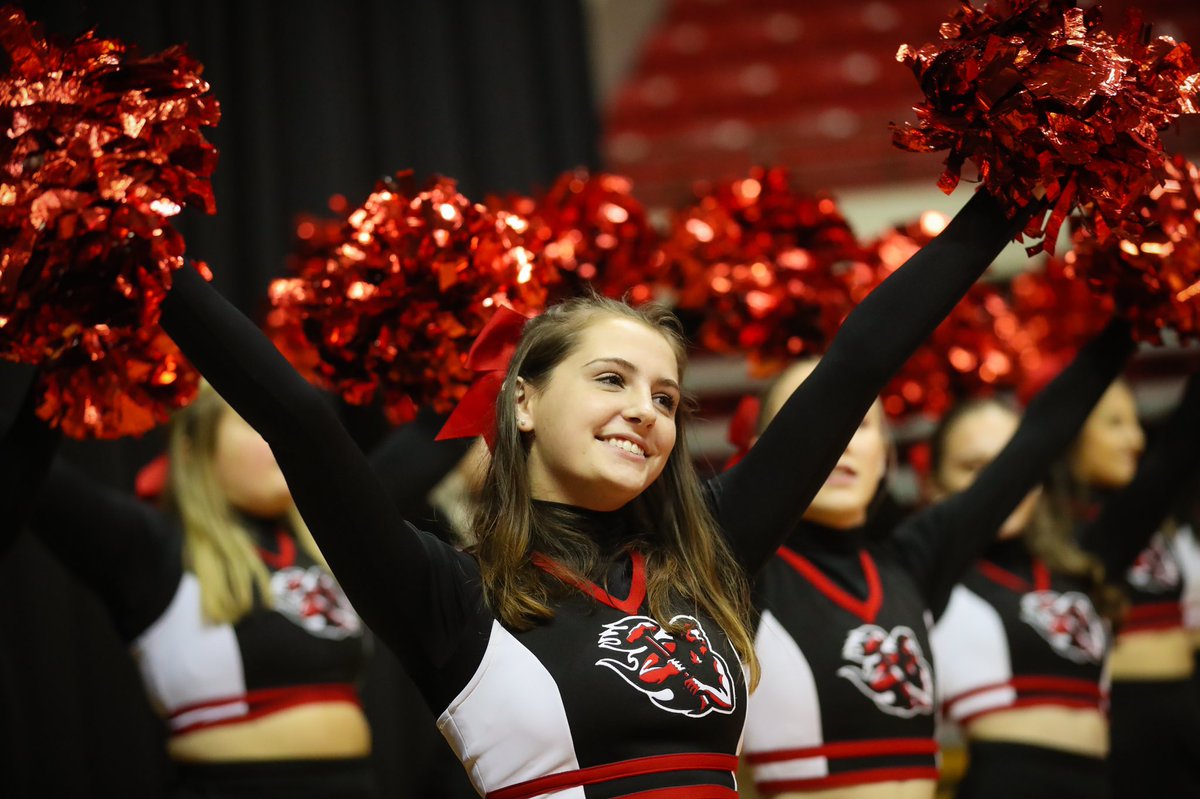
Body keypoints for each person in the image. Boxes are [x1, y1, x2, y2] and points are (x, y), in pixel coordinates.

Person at [134, 187, 1030, 797]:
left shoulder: (704, 554)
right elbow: (298, 420)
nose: (644, 411)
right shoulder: (449, 595)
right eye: (611, 380)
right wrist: (129, 235)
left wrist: (1005, 200)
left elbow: (857, 363)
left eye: (667, 397)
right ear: (521, 399)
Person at [1, 375, 473, 799]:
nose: (280, 437)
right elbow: (26, 474)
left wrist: (500, 333)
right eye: (254, 424)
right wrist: (59, 364)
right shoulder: (151, 549)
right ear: (193, 449)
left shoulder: (330, 534)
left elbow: (443, 428)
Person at [738, 319, 1134, 799]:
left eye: (858, 423)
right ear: (759, 456)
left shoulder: (912, 563)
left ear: (886, 454)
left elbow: (1039, 439)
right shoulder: (738, 569)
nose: (835, 438)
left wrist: (1133, 316)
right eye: (807, 419)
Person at [929, 370, 1200, 799]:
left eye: (1010, 466)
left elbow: (1177, 452)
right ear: (935, 487)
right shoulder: (928, 572)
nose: (999, 488)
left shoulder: (1080, 556)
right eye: (973, 468)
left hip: (1106, 780)